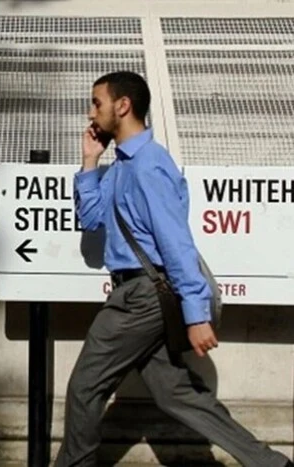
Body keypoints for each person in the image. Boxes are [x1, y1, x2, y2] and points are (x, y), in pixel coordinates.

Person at [53, 71, 293, 467]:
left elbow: (176, 244)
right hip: (145, 296)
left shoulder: (149, 166)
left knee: (84, 387)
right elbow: (93, 219)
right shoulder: (121, 167)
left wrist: (196, 315)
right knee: (173, 393)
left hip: (140, 298)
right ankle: (270, 464)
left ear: (123, 105)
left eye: (97, 102)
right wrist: (89, 163)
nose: (90, 112)